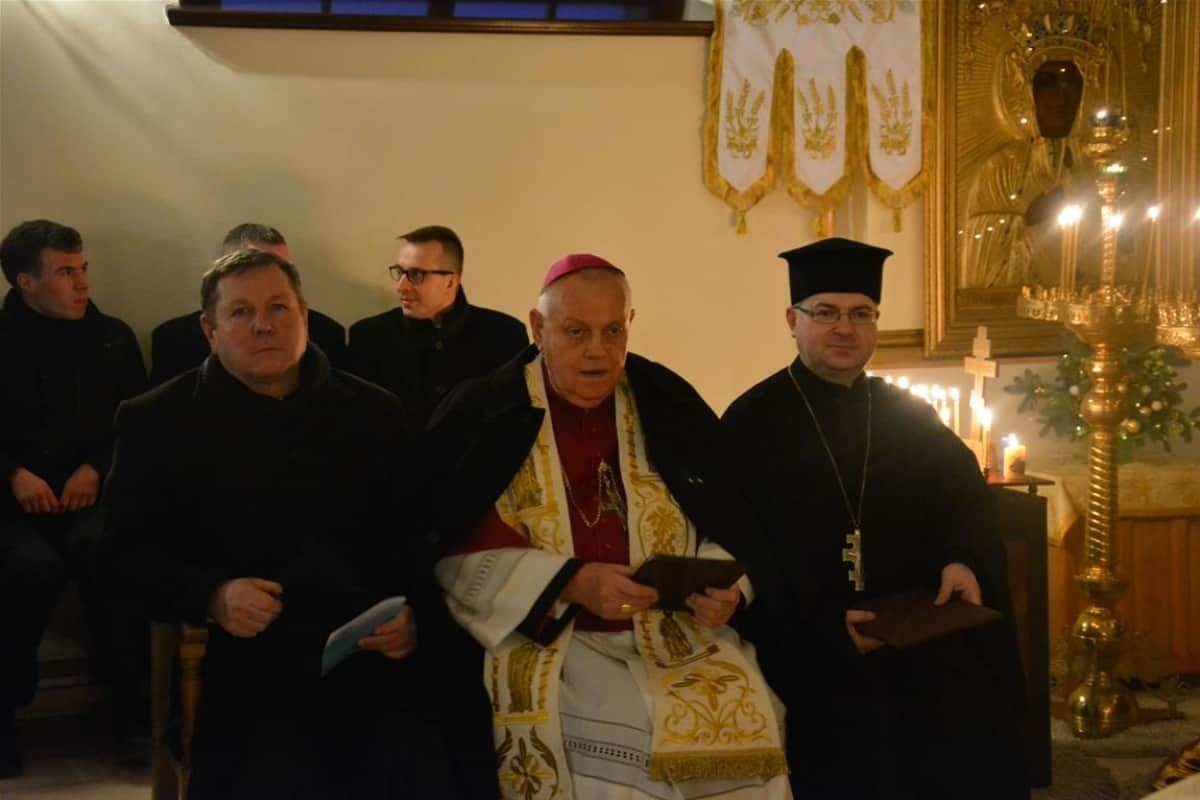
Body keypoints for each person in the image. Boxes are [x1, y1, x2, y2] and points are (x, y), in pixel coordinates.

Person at [102, 248, 494, 799]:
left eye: (278, 307)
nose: (263, 325)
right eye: (241, 312)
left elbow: (418, 539)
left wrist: (414, 619)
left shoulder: (375, 412)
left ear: (304, 316)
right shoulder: (156, 420)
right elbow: (121, 556)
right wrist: (212, 595)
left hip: (366, 653)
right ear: (209, 331)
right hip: (248, 663)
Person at [427, 254, 790, 800]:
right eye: (576, 332)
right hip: (553, 640)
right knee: (622, 732)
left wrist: (729, 589)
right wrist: (570, 581)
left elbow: (735, 516)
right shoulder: (485, 409)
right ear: (537, 328)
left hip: (677, 633)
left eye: (612, 331)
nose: (597, 351)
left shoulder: (666, 400)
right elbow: (448, 538)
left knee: (757, 711)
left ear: (630, 324)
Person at [721, 237, 1029, 800]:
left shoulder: (906, 414)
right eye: (826, 313)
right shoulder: (750, 423)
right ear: (792, 321)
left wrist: (962, 557)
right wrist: (825, 632)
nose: (845, 329)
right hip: (806, 646)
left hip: (913, 636)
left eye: (862, 314)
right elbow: (740, 547)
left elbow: (965, 498)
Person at [0, 219, 148, 777]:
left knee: (108, 555)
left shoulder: (112, 338)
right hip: (14, 505)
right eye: (65, 273)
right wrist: (13, 475)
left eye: (82, 269)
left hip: (93, 497)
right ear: (25, 283)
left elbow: (136, 425)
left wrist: (96, 469)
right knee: (27, 570)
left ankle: (131, 714)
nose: (83, 283)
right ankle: (5, 712)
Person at [347, 225, 527, 432]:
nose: (401, 286)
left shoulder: (504, 335)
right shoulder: (368, 337)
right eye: (400, 272)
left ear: (451, 282)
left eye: (416, 274)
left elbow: (513, 424)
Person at [149, 223, 347, 384]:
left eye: (280, 267)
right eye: (241, 311)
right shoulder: (175, 342)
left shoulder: (328, 335)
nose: (264, 325)